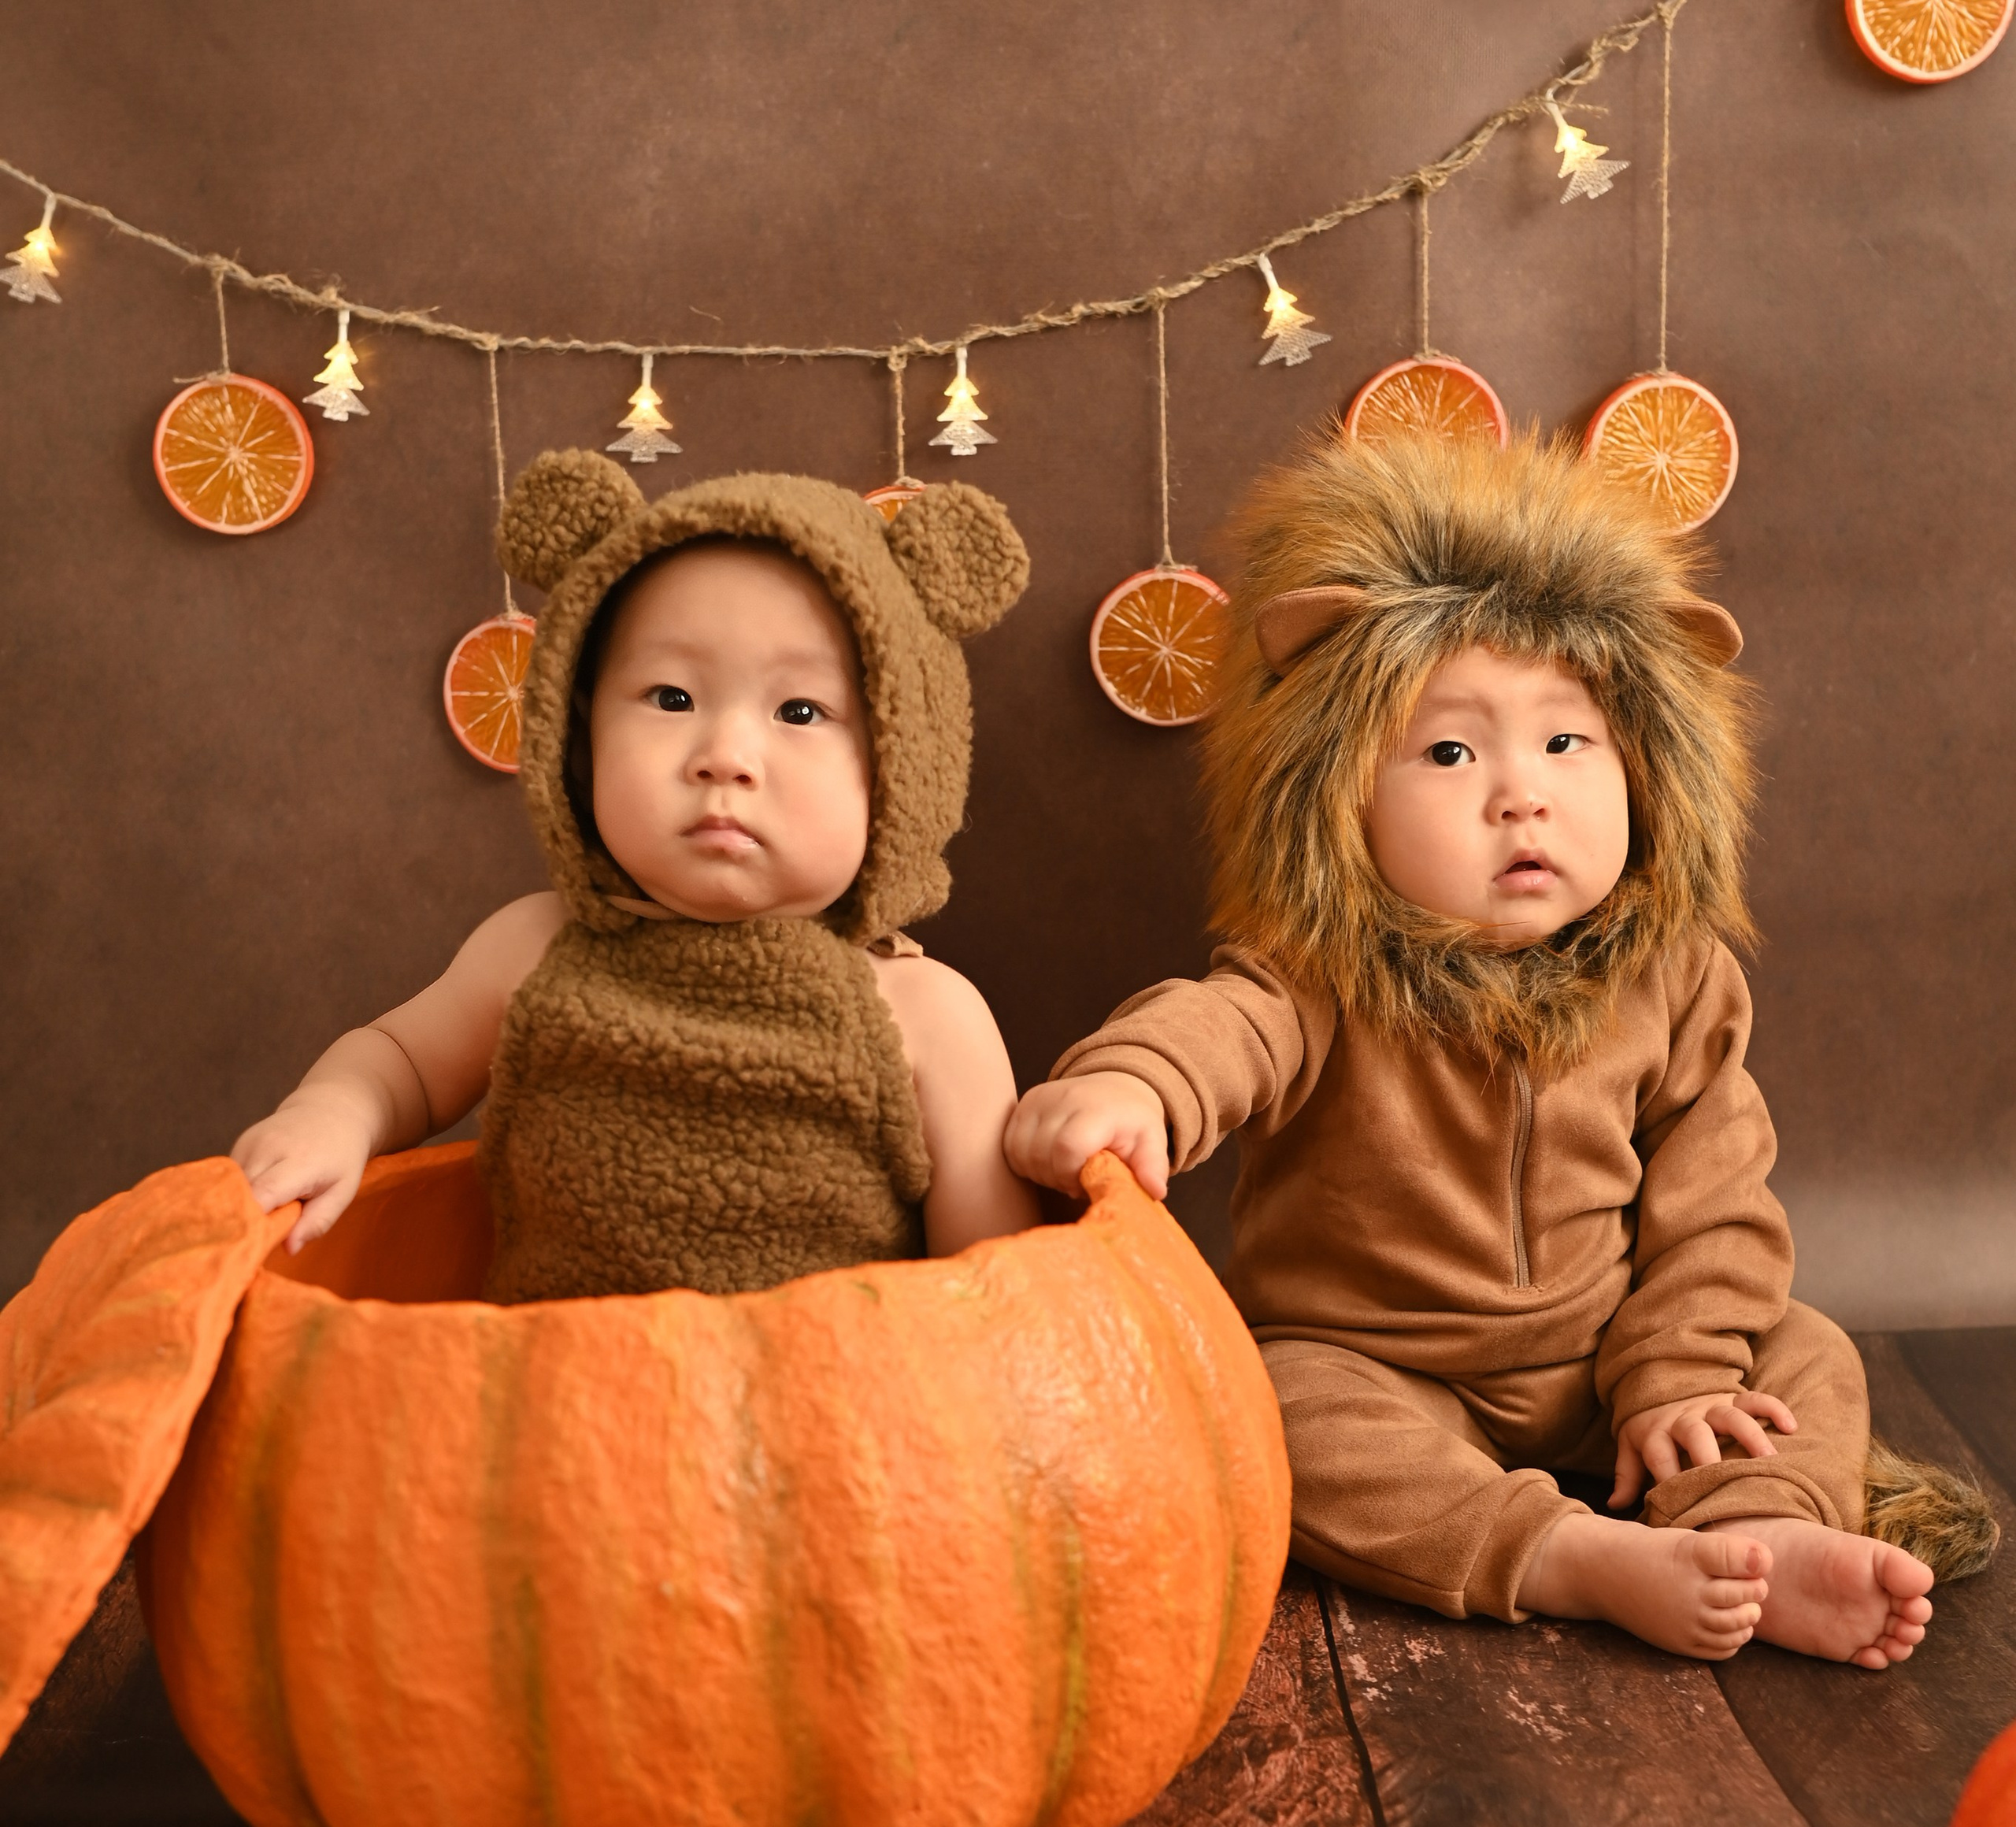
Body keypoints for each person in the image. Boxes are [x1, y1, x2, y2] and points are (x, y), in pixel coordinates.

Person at [1008, 428, 1994, 1667]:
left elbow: (1717, 1202)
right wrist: (1133, 1085)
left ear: (1649, 771)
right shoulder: (1318, 973)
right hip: (1386, 1371)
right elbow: (1221, 1027)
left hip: (1614, 1366)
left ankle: (1758, 1528)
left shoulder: (1674, 979)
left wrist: (1679, 1374)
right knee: (1273, 1407)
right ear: (1342, 800)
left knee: (1803, 1345)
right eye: (1450, 750)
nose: (1518, 792)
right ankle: (1567, 1555)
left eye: (1566, 742)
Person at [235, 455, 1043, 1297]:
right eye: (670, 697)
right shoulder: (533, 948)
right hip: (558, 1401)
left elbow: (993, 1295)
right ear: (577, 737)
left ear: (905, 767)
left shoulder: (926, 1014)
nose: (723, 757)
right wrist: (333, 1115)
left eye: (799, 712)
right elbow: (399, 1058)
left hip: (819, 1412)